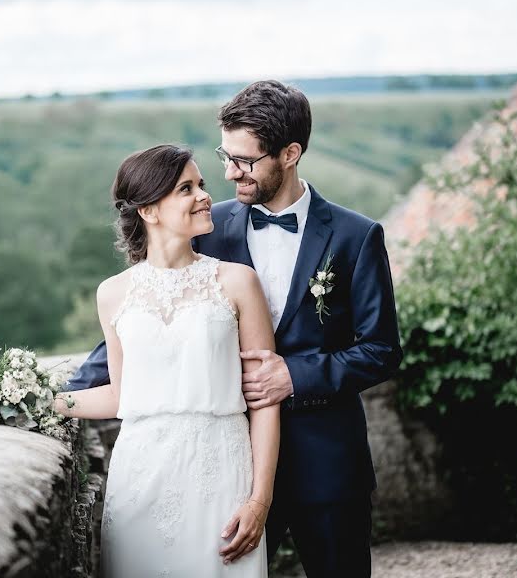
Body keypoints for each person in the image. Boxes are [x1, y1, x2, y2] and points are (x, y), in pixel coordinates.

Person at [70, 80, 403, 577]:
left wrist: (296, 374)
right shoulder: (209, 224)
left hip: (326, 463)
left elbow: (381, 350)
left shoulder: (356, 237)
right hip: (222, 472)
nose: (228, 174)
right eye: (225, 156)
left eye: (244, 161)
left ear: (290, 154)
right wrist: (45, 394)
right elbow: (149, 320)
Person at [54, 144, 280, 577]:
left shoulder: (237, 282)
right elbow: (122, 395)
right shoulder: (113, 293)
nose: (204, 196)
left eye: (202, 185)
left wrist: (258, 501)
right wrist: (39, 404)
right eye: (186, 188)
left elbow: (265, 400)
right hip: (139, 477)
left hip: (222, 474)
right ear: (149, 210)